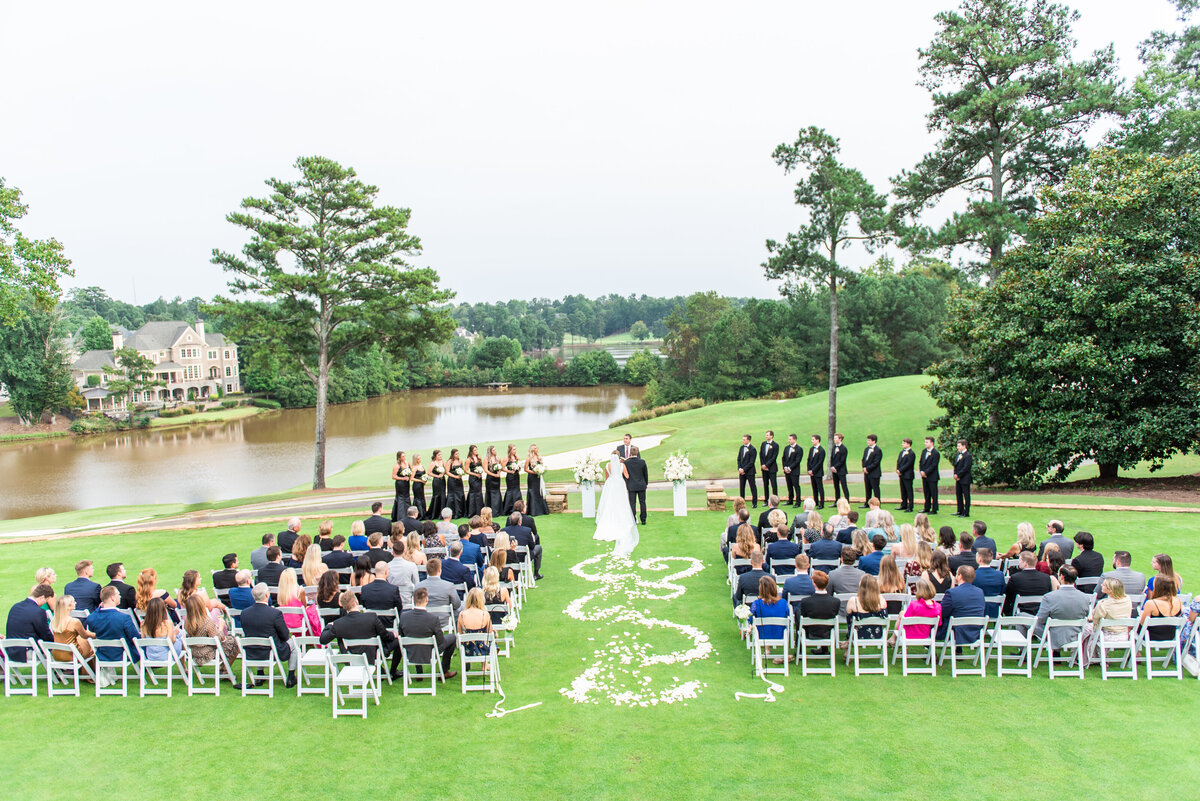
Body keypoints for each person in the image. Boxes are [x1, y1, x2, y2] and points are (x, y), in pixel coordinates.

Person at [321, 590, 404, 680]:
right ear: (356, 602)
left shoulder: (339, 624)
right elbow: (385, 635)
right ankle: (393, 671)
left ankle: (384, 670)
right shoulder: (371, 617)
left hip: (351, 657)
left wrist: (330, 625)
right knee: (398, 640)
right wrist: (394, 634)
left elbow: (323, 640)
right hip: (373, 655)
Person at [241, 583, 296, 687]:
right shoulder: (275, 613)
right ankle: (291, 676)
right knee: (293, 643)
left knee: (259, 639)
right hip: (271, 651)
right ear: (267, 595)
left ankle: (260, 674)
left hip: (251, 651)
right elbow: (285, 635)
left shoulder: (244, 613)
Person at [400, 587, 457, 680]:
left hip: (411, 652)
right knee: (452, 638)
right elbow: (440, 641)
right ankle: (444, 671)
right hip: (429, 653)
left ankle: (419, 673)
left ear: (413, 600)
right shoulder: (433, 619)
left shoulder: (403, 616)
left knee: (414, 638)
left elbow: (401, 636)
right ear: (427, 599)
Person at [1033, 566, 1091, 650]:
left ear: (1062, 576)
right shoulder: (1085, 597)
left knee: (1024, 619)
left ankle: (1024, 655)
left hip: (1054, 635)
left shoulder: (1049, 597)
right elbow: (1085, 615)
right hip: (1075, 634)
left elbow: (1040, 620)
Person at [1081, 579, 1133, 668]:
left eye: (1104, 585)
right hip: (1123, 635)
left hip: (1106, 636)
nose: (1101, 585)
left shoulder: (1103, 604)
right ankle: (1097, 657)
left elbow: (1096, 622)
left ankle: (1087, 657)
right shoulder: (1127, 600)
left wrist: (1092, 615)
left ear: (1110, 590)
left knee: (1086, 629)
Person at [181, 592, 239, 670]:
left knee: (230, 640)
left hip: (193, 653)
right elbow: (218, 639)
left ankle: (224, 669)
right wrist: (221, 627)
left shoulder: (187, 622)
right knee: (235, 642)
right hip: (207, 654)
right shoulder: (207, 621)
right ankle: (224, 669)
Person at [87, 586, 141, 664]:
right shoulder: (124, 618)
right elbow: (135, 638)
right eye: (118, 594)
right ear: (113, 598)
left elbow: (92, 618)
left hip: (103, 655)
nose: (120, 596)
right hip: (123, 654)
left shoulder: (92, 618)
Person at [5, 585, 55, 660]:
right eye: (46, 600)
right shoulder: (38, 612)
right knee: (55, 648)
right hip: (27, 652)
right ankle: (62, 669)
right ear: (42, 597)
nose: (44, 603)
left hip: (9, 651)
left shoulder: (15, 607)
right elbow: (45, 635)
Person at [938, 566, 986, 643]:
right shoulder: (980, 592)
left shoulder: (952, 593)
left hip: (956, 631)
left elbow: (942, 612)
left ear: (960, 576)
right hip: (975, 631)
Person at [415, 558, 463, 632]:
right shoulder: (449, 586)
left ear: (427, 571)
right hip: (444, 621)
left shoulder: (418, 586)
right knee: (461, 608)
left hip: (425, 619)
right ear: (440, 571)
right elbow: (457, 605)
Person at [50, 595, 95, 668]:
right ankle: (92, 675)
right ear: (69, 606)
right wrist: (97, 635)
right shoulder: (74, 622)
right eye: (73, 601)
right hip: (72, 655)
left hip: (57, 654)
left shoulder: (54, 621)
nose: (75, 603)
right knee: (92, 646)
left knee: (82, 641)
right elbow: (85, 635)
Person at [749, 576, 789, 660]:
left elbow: (751, 619)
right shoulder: (783, 602)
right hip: (779, 633)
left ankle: (767, 649)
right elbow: (786, 615)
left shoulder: (757, 603)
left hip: (762, 635)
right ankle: (767, 649)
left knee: (763, 624)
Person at [1138, 577, 1184, 645]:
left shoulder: (1151, 603)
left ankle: (1136, 651)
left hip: (1151, 636)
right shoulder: (1178, 601)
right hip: (1170, 635)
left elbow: (1142, 624)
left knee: (1133, 626)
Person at [276, 569, 321, 636]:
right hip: (299, 622)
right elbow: (306, 605)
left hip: (285, 622)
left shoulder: (281, 594)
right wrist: (313, 601)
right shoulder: (299, 591)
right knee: (312, 606)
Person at [845, 575, 887, 645]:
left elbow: (849, 619)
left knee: (851, 625)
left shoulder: (853, 601)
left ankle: (847, 644)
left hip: (857, 635)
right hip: (877, 635)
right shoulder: (881, 600)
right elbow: (885, 616)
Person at [457, 587, 495, 660]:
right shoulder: (485, 614)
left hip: (467, 649)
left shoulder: (462, 614)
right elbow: (489, 633)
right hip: (483, 648)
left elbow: (459, 633)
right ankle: (485, 664)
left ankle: (467, 664)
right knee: (488, 641)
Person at [140, 597, 180, 661]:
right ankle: (184, 666)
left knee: (179, 635)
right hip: (167, 656)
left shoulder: (143, 624)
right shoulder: (167, 624)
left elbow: (143, 641)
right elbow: (171, 642)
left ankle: (184, 666)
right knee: (179, 637)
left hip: (150, 657)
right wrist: (175, 633)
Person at [387, 537, 420, 607]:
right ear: (404, 551)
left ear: (393, 552)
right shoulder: (411, 565)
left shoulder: (388, 566)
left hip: (392, 599)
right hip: (407, 599)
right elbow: (416, 583)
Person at [622, 446, 649, 527]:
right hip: (641, 485)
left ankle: (633, 519)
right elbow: (645, 474)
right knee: (642, 502)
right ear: (637, 453)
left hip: (631, 485)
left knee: (632, 503)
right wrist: (646, 483)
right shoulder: (642, 462)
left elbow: (624, 475)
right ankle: (643, 520)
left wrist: (627, 483)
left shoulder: (626, 463)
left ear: (630, 453)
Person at [972, 550, 1005, 616]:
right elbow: (1002, 591)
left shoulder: (973, 574)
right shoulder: (999, 575)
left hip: (977, 609)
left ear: (980, 559)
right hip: (994, 609)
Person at [524, 444, 550, 517]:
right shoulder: (528, 458)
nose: (537, 449)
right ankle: (533, 510)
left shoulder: (539, 457)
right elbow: (525, 469)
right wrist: (534, 472)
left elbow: (542, 465)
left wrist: (541, 469)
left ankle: (541, 509)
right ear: (532, 449)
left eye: (537, 448)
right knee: (533, 491)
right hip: (532, 477)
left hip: (538, 477)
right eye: (535, 448)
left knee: (539, 491)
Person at [735, 434, 760, 508]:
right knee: (741, 487)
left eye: (744, 439)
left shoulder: (752, 449)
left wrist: (744, 469)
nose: (743, 441)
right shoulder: (741, 448)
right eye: (742, 439)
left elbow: (751, 462)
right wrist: (739, 468)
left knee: (752, 487)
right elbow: (739, 459)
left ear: (748, 440)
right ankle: (741, 503)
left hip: (750, 472)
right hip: (741, 471)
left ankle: (754, 503)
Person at [919, 436, 940, 514]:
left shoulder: (936, 453)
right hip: (924, 476)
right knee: (926, 492)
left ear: (932, 443)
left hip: (932, 476)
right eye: (925, 442)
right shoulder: (924, 451)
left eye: (927, 442)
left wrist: (926, 472)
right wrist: (921, 471)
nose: (925, 443)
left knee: (933, 493)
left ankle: (934, 509)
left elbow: (934, 465)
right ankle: (926, 507)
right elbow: (921, 462)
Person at [860, 435, 882, 507]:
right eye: (867, 440)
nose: (867, 441)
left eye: (869, 440)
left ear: (874, 441)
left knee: (875, 489)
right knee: (867, 488)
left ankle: (877, 503)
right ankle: (867, 502)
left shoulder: (878, 450)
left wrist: (868, 468)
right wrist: (864, 467)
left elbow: (876, 462)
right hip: (866, 473)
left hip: (874, 473)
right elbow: (863, 459)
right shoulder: (866, 449)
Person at [501, 444, 523, 516]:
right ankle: (509, 509)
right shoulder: (506, 458)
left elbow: (519, 465)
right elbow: (502, 468)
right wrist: (510, 471)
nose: (515, 451)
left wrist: (518, 468)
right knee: (511, 491)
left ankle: (519, 507)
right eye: (513, 449)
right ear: (510, 450)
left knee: (517, 490)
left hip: (516, 476)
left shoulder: (517, 457)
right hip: (510, 476)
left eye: (515, 449)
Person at [952, 439, 972, 517]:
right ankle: (960, 510)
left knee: (966, 495)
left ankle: (966, 512)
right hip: (958, 479)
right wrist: (955, 474)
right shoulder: (958, 454)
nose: (957, 447)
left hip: (965, 479)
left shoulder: (968, 455)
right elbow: (956, 465)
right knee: (958, 494)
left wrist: (958, 475)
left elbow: (966, 468)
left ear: (964, 446)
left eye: (959, 446)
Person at [391, 450, 412, 522]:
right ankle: (400, 516)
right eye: (403, 456)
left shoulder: (407, 463)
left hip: (406, 483)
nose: (404, 457)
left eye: (405, 455)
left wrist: (409, 475)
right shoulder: (397, 465)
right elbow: (393, 476)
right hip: (400, 484)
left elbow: (411, 471)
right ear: (399, 458)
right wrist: (402, 478)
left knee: (407, 497)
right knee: (401, 498)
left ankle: (408, 514)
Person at [895, 438, 916, 513]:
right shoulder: (901, 452)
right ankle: (903, 504)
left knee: (909, 491)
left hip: (908, 475)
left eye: (904, 443)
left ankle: (910, 506)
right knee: (903, 490)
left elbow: (909, 464)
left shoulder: (911, 453)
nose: (902, 444)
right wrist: (898, 469)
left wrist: (901, 470)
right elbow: (898, 461)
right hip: (901, 475)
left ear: (908, 444)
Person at [781, 433, 802, 506]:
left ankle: (798, 501)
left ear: (794, 439)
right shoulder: (786, 448)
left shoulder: (799, 449)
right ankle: (790, 500)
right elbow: (783, 458)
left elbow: (797, 460)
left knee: (796, 486)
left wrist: (790, 468)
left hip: (794, 471)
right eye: (788, 439)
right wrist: (785, 467)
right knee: (789, 486)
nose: (788, 440)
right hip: (787, 471)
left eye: (790, 439)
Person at [758, 430, 779, 501]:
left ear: (771, 436)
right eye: (766, 435)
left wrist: (767, 465)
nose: (766, 436)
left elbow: (774, 457)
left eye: (767, 435)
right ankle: (766, 500)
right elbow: (761, 455)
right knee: (765, 484)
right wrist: (763, 465)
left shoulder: (775, 445)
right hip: (764, 468)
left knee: (773, 485)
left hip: (772, 468)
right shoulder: (763, 444)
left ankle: (775, 500)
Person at [484, 446, 505, 515]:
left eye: (495, 450)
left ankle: (498, 510)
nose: (495, 451)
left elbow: (501, 466)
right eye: (493, 450)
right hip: (490, 478)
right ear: (490, 451)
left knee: (497, 493)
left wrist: (499, 472)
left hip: (497, 478)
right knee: (491, 493)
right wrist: (494, 475)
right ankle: (490, 511)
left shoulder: (498, 458)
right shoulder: (487, 459)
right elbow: (486, 470)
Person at [466, 445, 485, 518]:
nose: (476, 451)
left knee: (479, 493)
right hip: (473, 478)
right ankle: (472, 511)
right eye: (475, 450)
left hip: (479, 478)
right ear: (471, 451)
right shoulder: (469, 459)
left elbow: (482, 466)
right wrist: (475, 474)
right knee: (473, 493)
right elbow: (466, 470)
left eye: (477, 450)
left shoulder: (478, 457)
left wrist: (480, 471)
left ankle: (479, 510)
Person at [829, 433, 849, 503]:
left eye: (835, 438)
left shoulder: (844, 448)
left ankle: (847, 501)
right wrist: (832, 466)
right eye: (834, 438)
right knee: (836, 486)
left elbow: (842, 460)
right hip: (834, 471)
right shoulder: (834, 447)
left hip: (841, 470)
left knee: (844, 486)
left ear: (840, 439)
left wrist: (835, 467)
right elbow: (832, 458)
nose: (834, 439)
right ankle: (836, 501)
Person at [429, 449, 448, 522]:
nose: (440, 456)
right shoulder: (433, 463)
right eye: (439, 455)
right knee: (437, 495)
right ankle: (435, 513)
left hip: (442, 480)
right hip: (436, 481)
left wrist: (443, 473)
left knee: (443, 495)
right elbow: (429, 472)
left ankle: (442, 512)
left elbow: (446, 470)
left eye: (441, 455)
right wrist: (437, 476)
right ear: (435, 456)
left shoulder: (442, 462)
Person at [411, 453, 430, 521]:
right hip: (417, 485)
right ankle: (420, 514)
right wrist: (420, 480)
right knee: (418, 499)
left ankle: (424, 513)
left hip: (421, 485)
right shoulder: (414, 467)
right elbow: (412, 478)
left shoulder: (421, 466)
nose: (419, 460)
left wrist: (425, 478)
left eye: (420, 458)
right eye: (418, 459)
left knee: (422, 498)